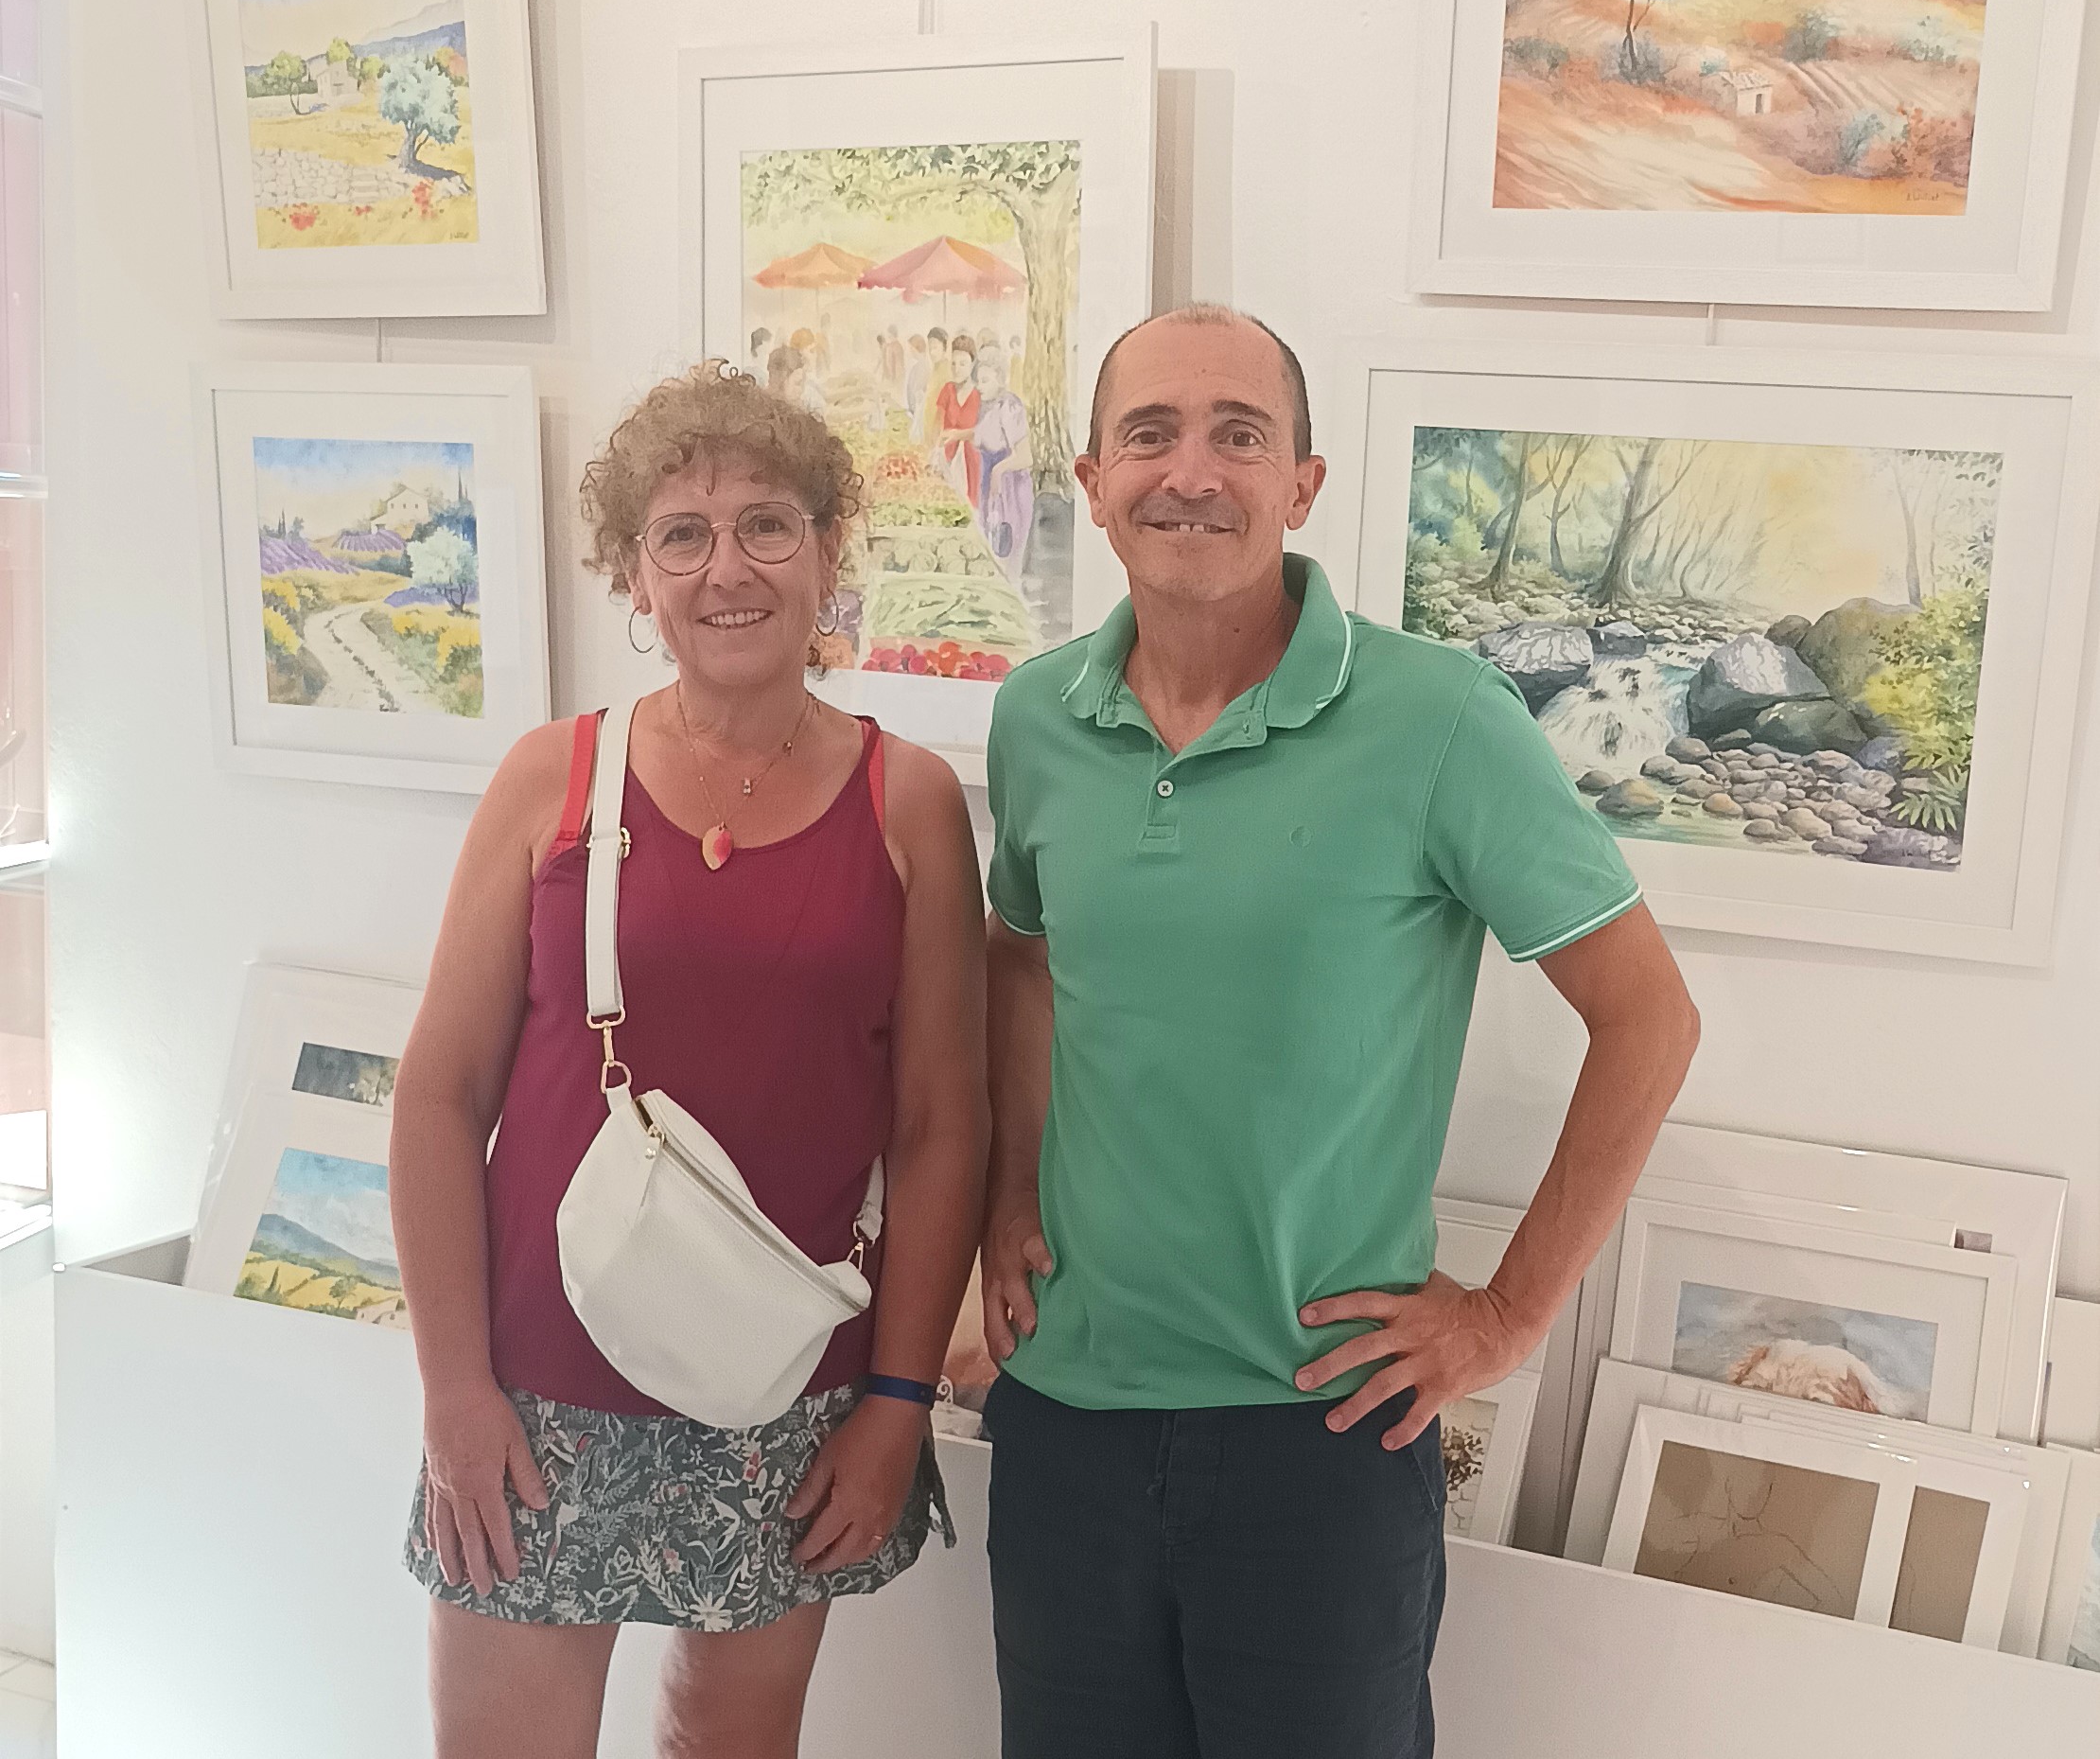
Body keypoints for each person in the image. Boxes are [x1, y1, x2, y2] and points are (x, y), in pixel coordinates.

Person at [977, 305, 1700, 1759]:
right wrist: (1009, 1194)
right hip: (1066, 1419)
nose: (1193, 469)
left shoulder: (1442, 719)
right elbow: (1026, 960)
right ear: (1093, 479)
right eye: (1151, 433)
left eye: (1239, 434)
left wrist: (1508, 1315)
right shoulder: (1037, 717)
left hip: (1319, 1431)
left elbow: (1648, 1018)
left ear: (1301, 483)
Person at [392, 361, 988, 1759]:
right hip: (533, 1391)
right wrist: (454, 1390)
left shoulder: (909, 800)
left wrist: (898, 1401)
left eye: (768, 523)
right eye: (683, 534)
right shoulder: (551, 777)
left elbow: (942, 1124)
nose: (728, 567)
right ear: (633, 577)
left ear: (827, 552)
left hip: (789, 1389)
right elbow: (436, 1098)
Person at [971, 345, 1034, 578]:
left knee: (1007, 555)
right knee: (991, 555)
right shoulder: (986, 406)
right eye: (978, 381)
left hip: (1011, 490)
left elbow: (1025, 456)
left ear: (999, 378)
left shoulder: (1010, 405)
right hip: (991, 488)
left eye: (985, 381)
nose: (979, 386)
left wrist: (999, 470)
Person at [934, 346, 983, 507]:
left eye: (962, 364)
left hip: (973, 458)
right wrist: (936, 451)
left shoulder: (979, 394)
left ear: (972, 364)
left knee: (971, 502)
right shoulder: (947, 390)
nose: (957, 369)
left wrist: (958, 435)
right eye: (953, 364)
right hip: (947, 455)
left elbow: (983, 431)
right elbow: (937, 424)